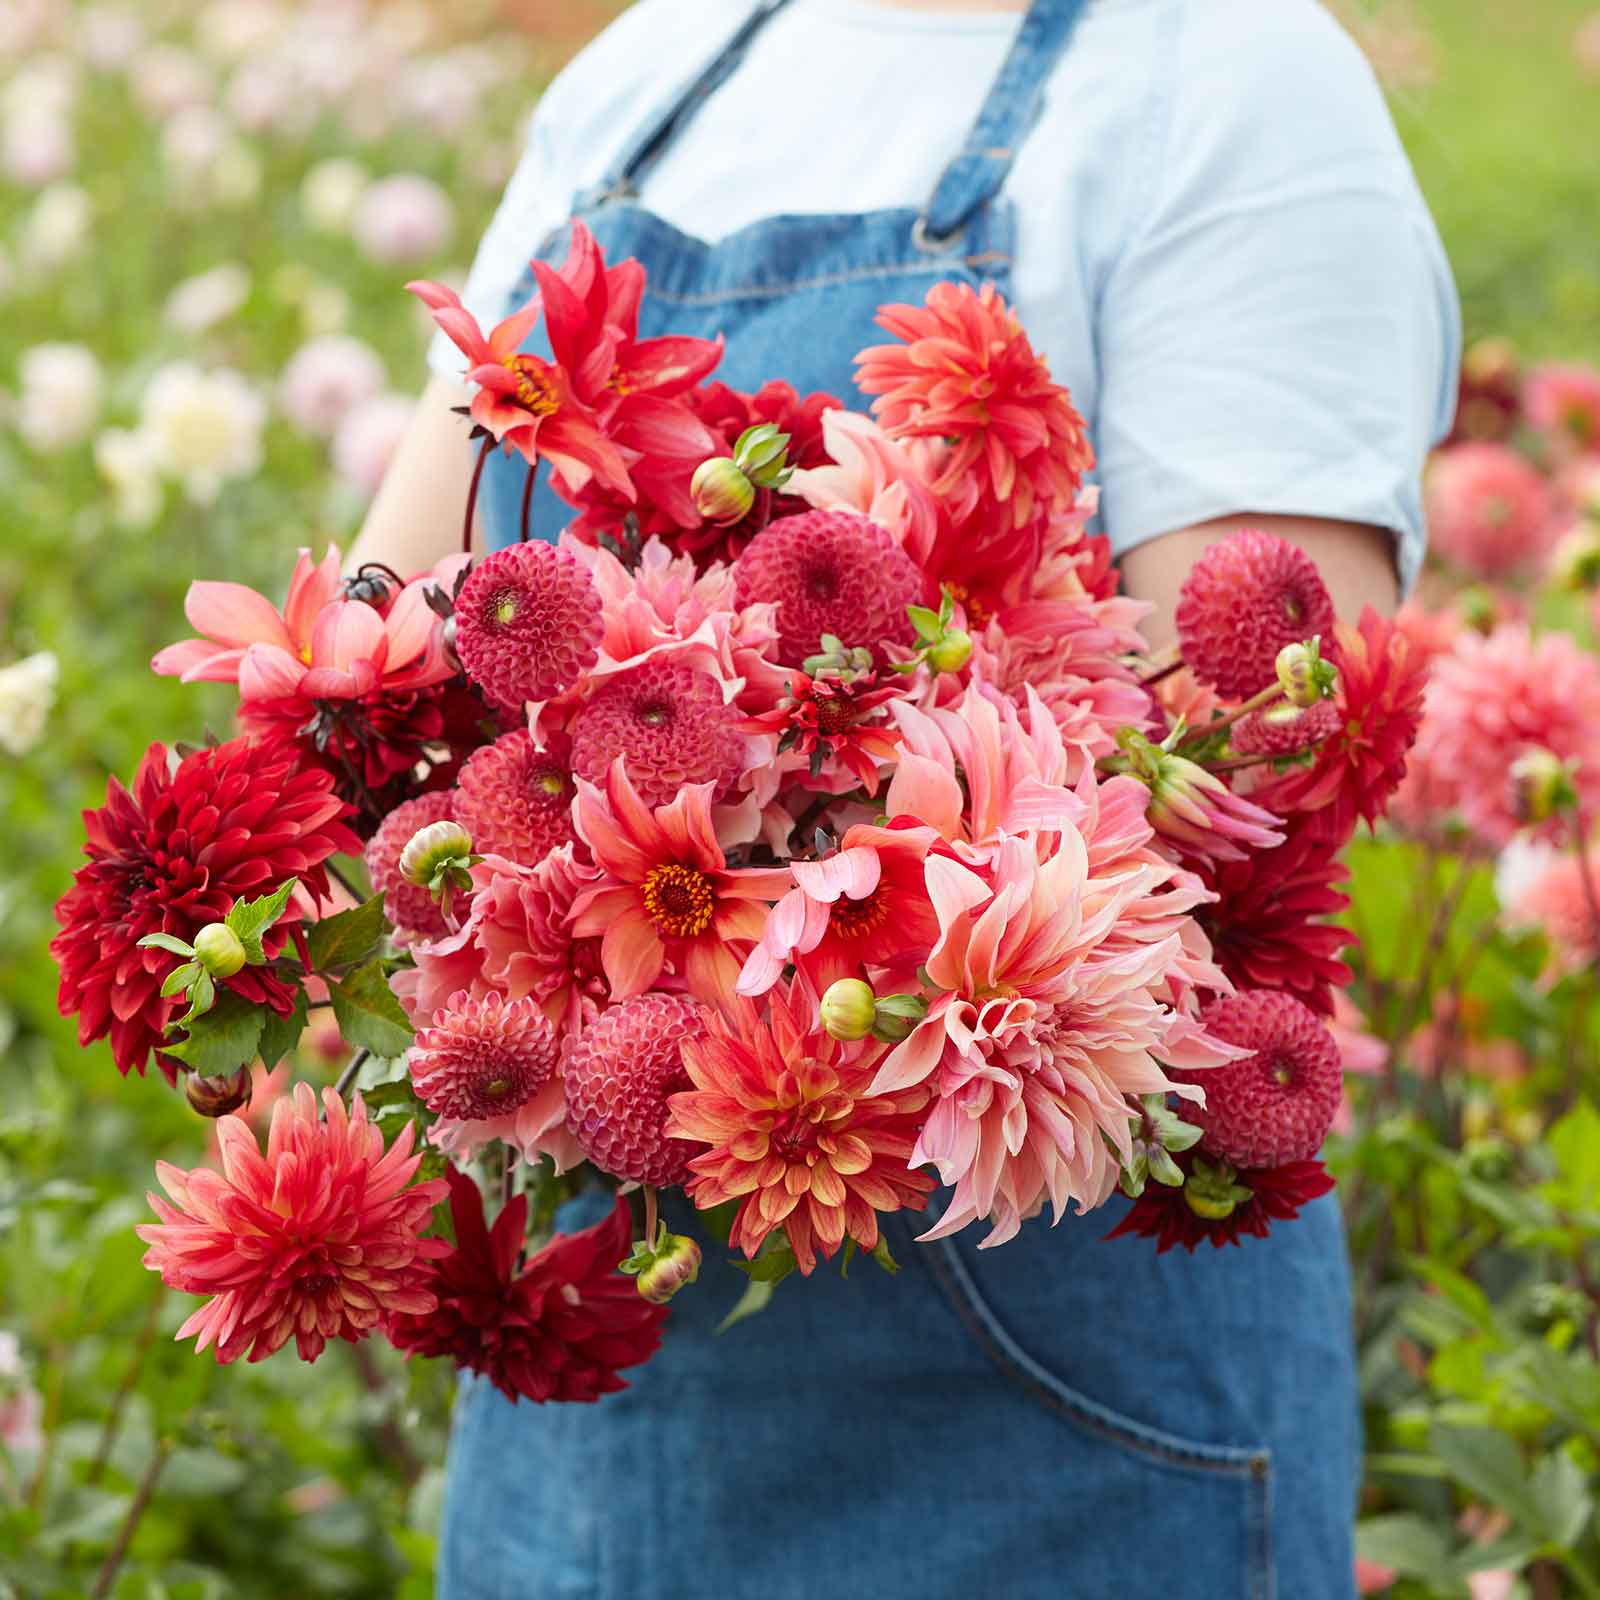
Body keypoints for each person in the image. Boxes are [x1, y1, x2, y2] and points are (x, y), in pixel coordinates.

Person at [351, 0, 1459, 1593]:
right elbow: (388, 646)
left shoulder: (1229, 78)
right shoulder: (653, 69)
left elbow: (1246, 771)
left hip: (1047, 1411)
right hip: (600, 1402)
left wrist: (755, 811)